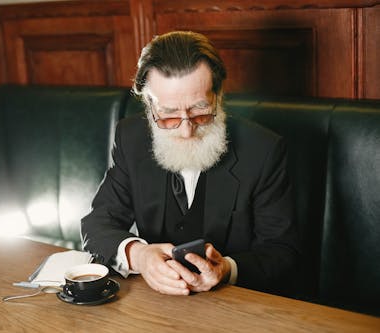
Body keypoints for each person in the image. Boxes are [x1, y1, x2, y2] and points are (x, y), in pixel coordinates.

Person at [81, 31, 299, 296]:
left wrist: (227, 269)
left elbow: (282, 252)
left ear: (218, 96)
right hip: (153, 303)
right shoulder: (130, 137)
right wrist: (139, 256)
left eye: (200, 111)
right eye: (169, 115)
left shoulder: (263, 149)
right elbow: (96, 225)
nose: (186, 131)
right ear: (150, 105)